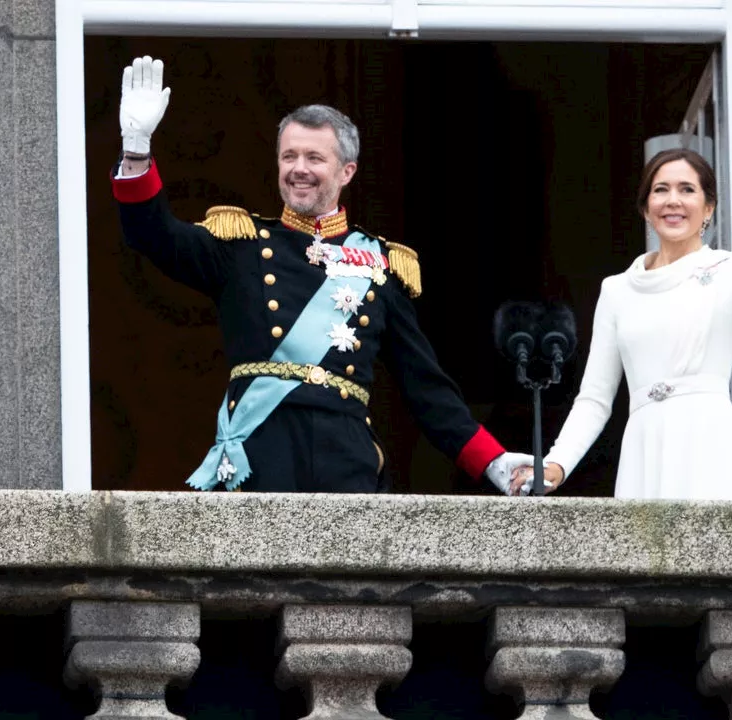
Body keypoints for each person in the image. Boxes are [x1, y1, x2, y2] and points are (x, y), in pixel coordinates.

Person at [112, 55, 531, 494]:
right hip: (259, 462)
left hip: (345, 465)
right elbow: (153, 236)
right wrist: (137, 147)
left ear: (346, 171)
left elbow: (426, 388)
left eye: (315, 157)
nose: (299, 169)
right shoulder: (239, 246)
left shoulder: (380, 267)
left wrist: (494, 463)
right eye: (289, 156)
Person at [514, 113, 732, 500]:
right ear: (645, 207)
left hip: (711, 446)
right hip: (644, 453)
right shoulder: (617, 290)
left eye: (687, 190)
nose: (673, 200)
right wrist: (556, 464)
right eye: (661, 190)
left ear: (709, 208)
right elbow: (594, 398)